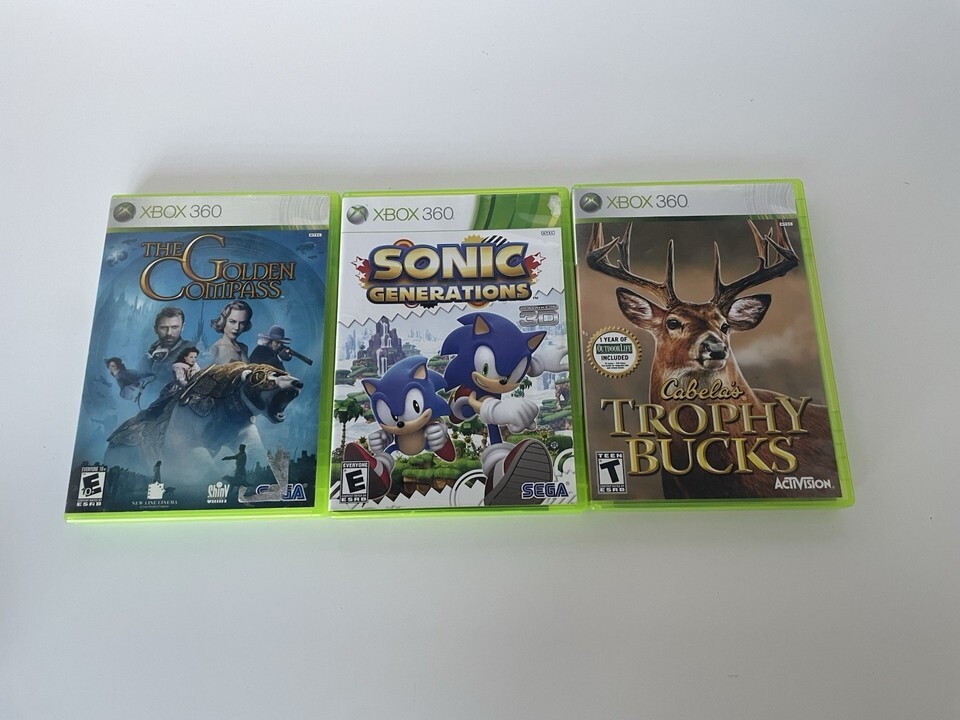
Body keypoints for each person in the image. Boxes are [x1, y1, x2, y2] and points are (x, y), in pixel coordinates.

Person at [144, 307, 194, 380]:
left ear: (182, 327)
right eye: (164, 328)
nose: (169, 333)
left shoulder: (191, 352)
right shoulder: (150, 353)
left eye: (174, 327)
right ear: (155, 329)